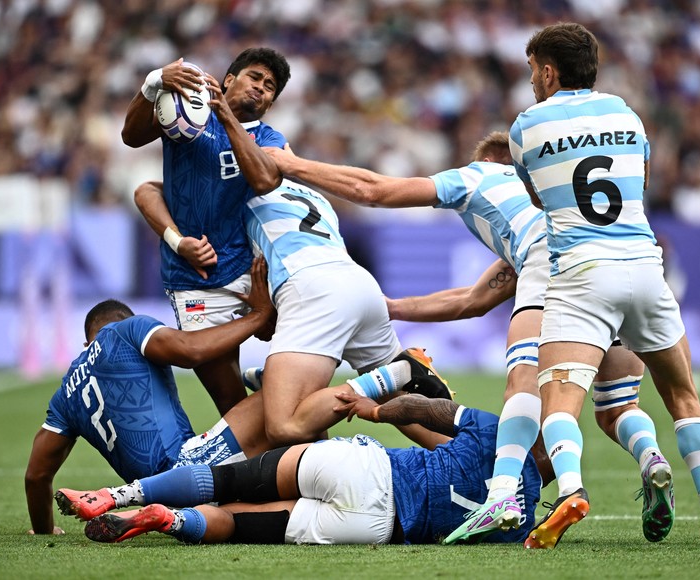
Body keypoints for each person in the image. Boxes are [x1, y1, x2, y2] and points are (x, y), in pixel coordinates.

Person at [266, 132, 674, 545]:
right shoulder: (548, 209)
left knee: (531, 389)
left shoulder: (478, 175)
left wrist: (293, 166)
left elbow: (376, 191)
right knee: (622, 404)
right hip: (613, 266)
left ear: (490, 160)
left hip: (555, 268)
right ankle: (687, 490)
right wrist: (393, 307)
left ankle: (522, 493)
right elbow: (473, 300)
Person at [508, 22, 700, 547]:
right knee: (683, 396)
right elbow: (635, 179)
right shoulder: (627, 114)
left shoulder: (526, 126)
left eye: (532, 70)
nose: (530, 80)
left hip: (582, 276)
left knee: (559, 401)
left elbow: (538, 198)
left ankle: (570, 489)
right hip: (645, 268)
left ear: (548, 72)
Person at [26, 257, 446, 536]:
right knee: (294, 401)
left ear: (85, 341)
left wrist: (45, 531)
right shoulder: (125, 330)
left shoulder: (65, 395)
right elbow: (190, 351)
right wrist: (259, 317)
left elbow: (36, 476)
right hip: (191, 467)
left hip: (166, 491)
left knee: (284, 483)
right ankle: (399, 372)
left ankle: (151, 513)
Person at [135, 178, 453, 449]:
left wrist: (176, 240)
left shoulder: (234, 187)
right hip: (359, 284)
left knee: (285, 424)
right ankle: (468, 457)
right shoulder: (310, 194)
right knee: (394, 400)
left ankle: (395, 373)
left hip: (312, 288)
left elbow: (147, 189)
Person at [56, 391, 549, 546]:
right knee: (241, 526)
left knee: (230, 480)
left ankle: (118, 497)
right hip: (378, 528)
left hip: (367, 470)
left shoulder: (500, 431)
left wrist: (373, 407)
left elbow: (424, 409)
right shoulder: (521, 519)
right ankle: (171, 520)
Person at [121, 48, 292, 416]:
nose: (261, 88)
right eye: (255, 77)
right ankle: (273, 459)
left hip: (251, 276)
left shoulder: (269, 139)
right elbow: (131, 137)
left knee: (295, 387)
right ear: (228, 79)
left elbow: (263, 180)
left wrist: (227, 115)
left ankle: (300, 449)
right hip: (194, 282)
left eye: (270, 87)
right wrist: (153, 85)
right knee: (231, 404)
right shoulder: (188, 112)